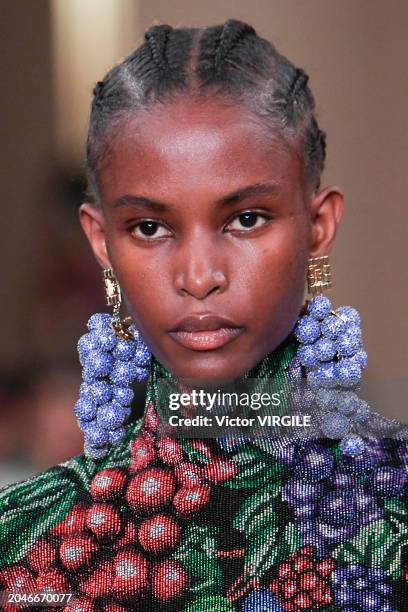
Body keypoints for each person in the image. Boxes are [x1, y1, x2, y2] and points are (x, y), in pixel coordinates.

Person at [0, 19, 407, 612]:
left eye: (246, 219)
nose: (198, 277)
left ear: (318, 228)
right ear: (101, 241)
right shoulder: (26, 544)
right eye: (149, 227)